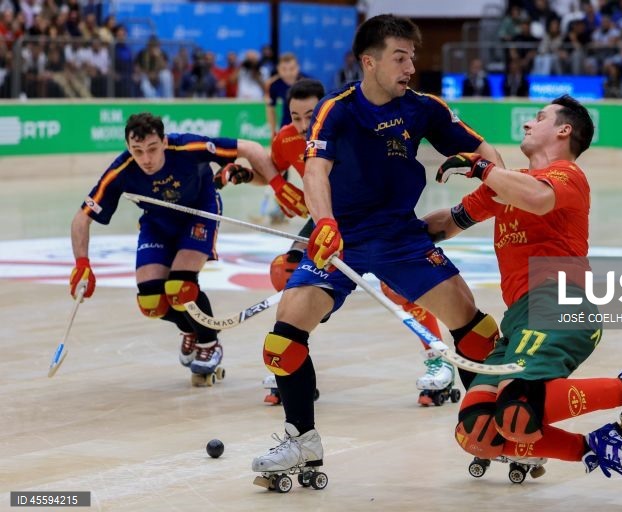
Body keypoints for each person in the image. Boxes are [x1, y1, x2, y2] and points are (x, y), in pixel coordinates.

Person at [250, 14, 505, 484]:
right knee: (283, 339)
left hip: (401, 239)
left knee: (476, 328)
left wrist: (466, 212)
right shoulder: (337, 108)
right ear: (369, 61)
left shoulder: (424, 107)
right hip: (339, 242)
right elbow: (314, 172)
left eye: (413, 57)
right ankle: (302, 443)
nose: (410, 67)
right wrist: (324, 223)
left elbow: (490, 155)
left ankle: (497, 430)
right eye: (400, 57)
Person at [424, 95, 622, 479]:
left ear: (563, 130)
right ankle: (594, 448)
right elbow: (446, 224)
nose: (527, 124)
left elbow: (538, 200)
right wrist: (382, 236)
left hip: (558, 302)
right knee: (477, 429)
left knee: (518, 405)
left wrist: (483, 167)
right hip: (521, 316)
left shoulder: (566, 176)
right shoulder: (505, 186)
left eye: (539, 118)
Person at [217, 78, 456, 406]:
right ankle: (293, 354)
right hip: (326, 218)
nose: (302, 126)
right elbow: (274, 168)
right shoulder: (286, 138)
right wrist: (246, 175)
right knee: (288, 275)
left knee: (397, 288)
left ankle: (437, 357)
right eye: (295, 117)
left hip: (376, 219)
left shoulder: (351, 129)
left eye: (309, 116)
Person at [69, 112, 308, 386]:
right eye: (137, 151)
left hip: (200, 213)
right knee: (151, 302)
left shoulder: (187, 147)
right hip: (157, 223)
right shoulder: (121, 170)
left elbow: (249, 148)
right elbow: (82, 218)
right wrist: (82, 264)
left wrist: (278, 186)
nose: (146, 159)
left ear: (164, 141)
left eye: (152, 149)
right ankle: (189, 329)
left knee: (180, 287)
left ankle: (209, 342)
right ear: (128, 148)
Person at [265, 52, 307, 137]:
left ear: (298, 68)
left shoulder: (308, 82)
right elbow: (270, 108)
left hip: (306, 124)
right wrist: (273, 131)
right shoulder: (274, 84)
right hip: (286, 124)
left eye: (292, 69)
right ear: (278, 69)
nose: (288, 73)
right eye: (284, 69)